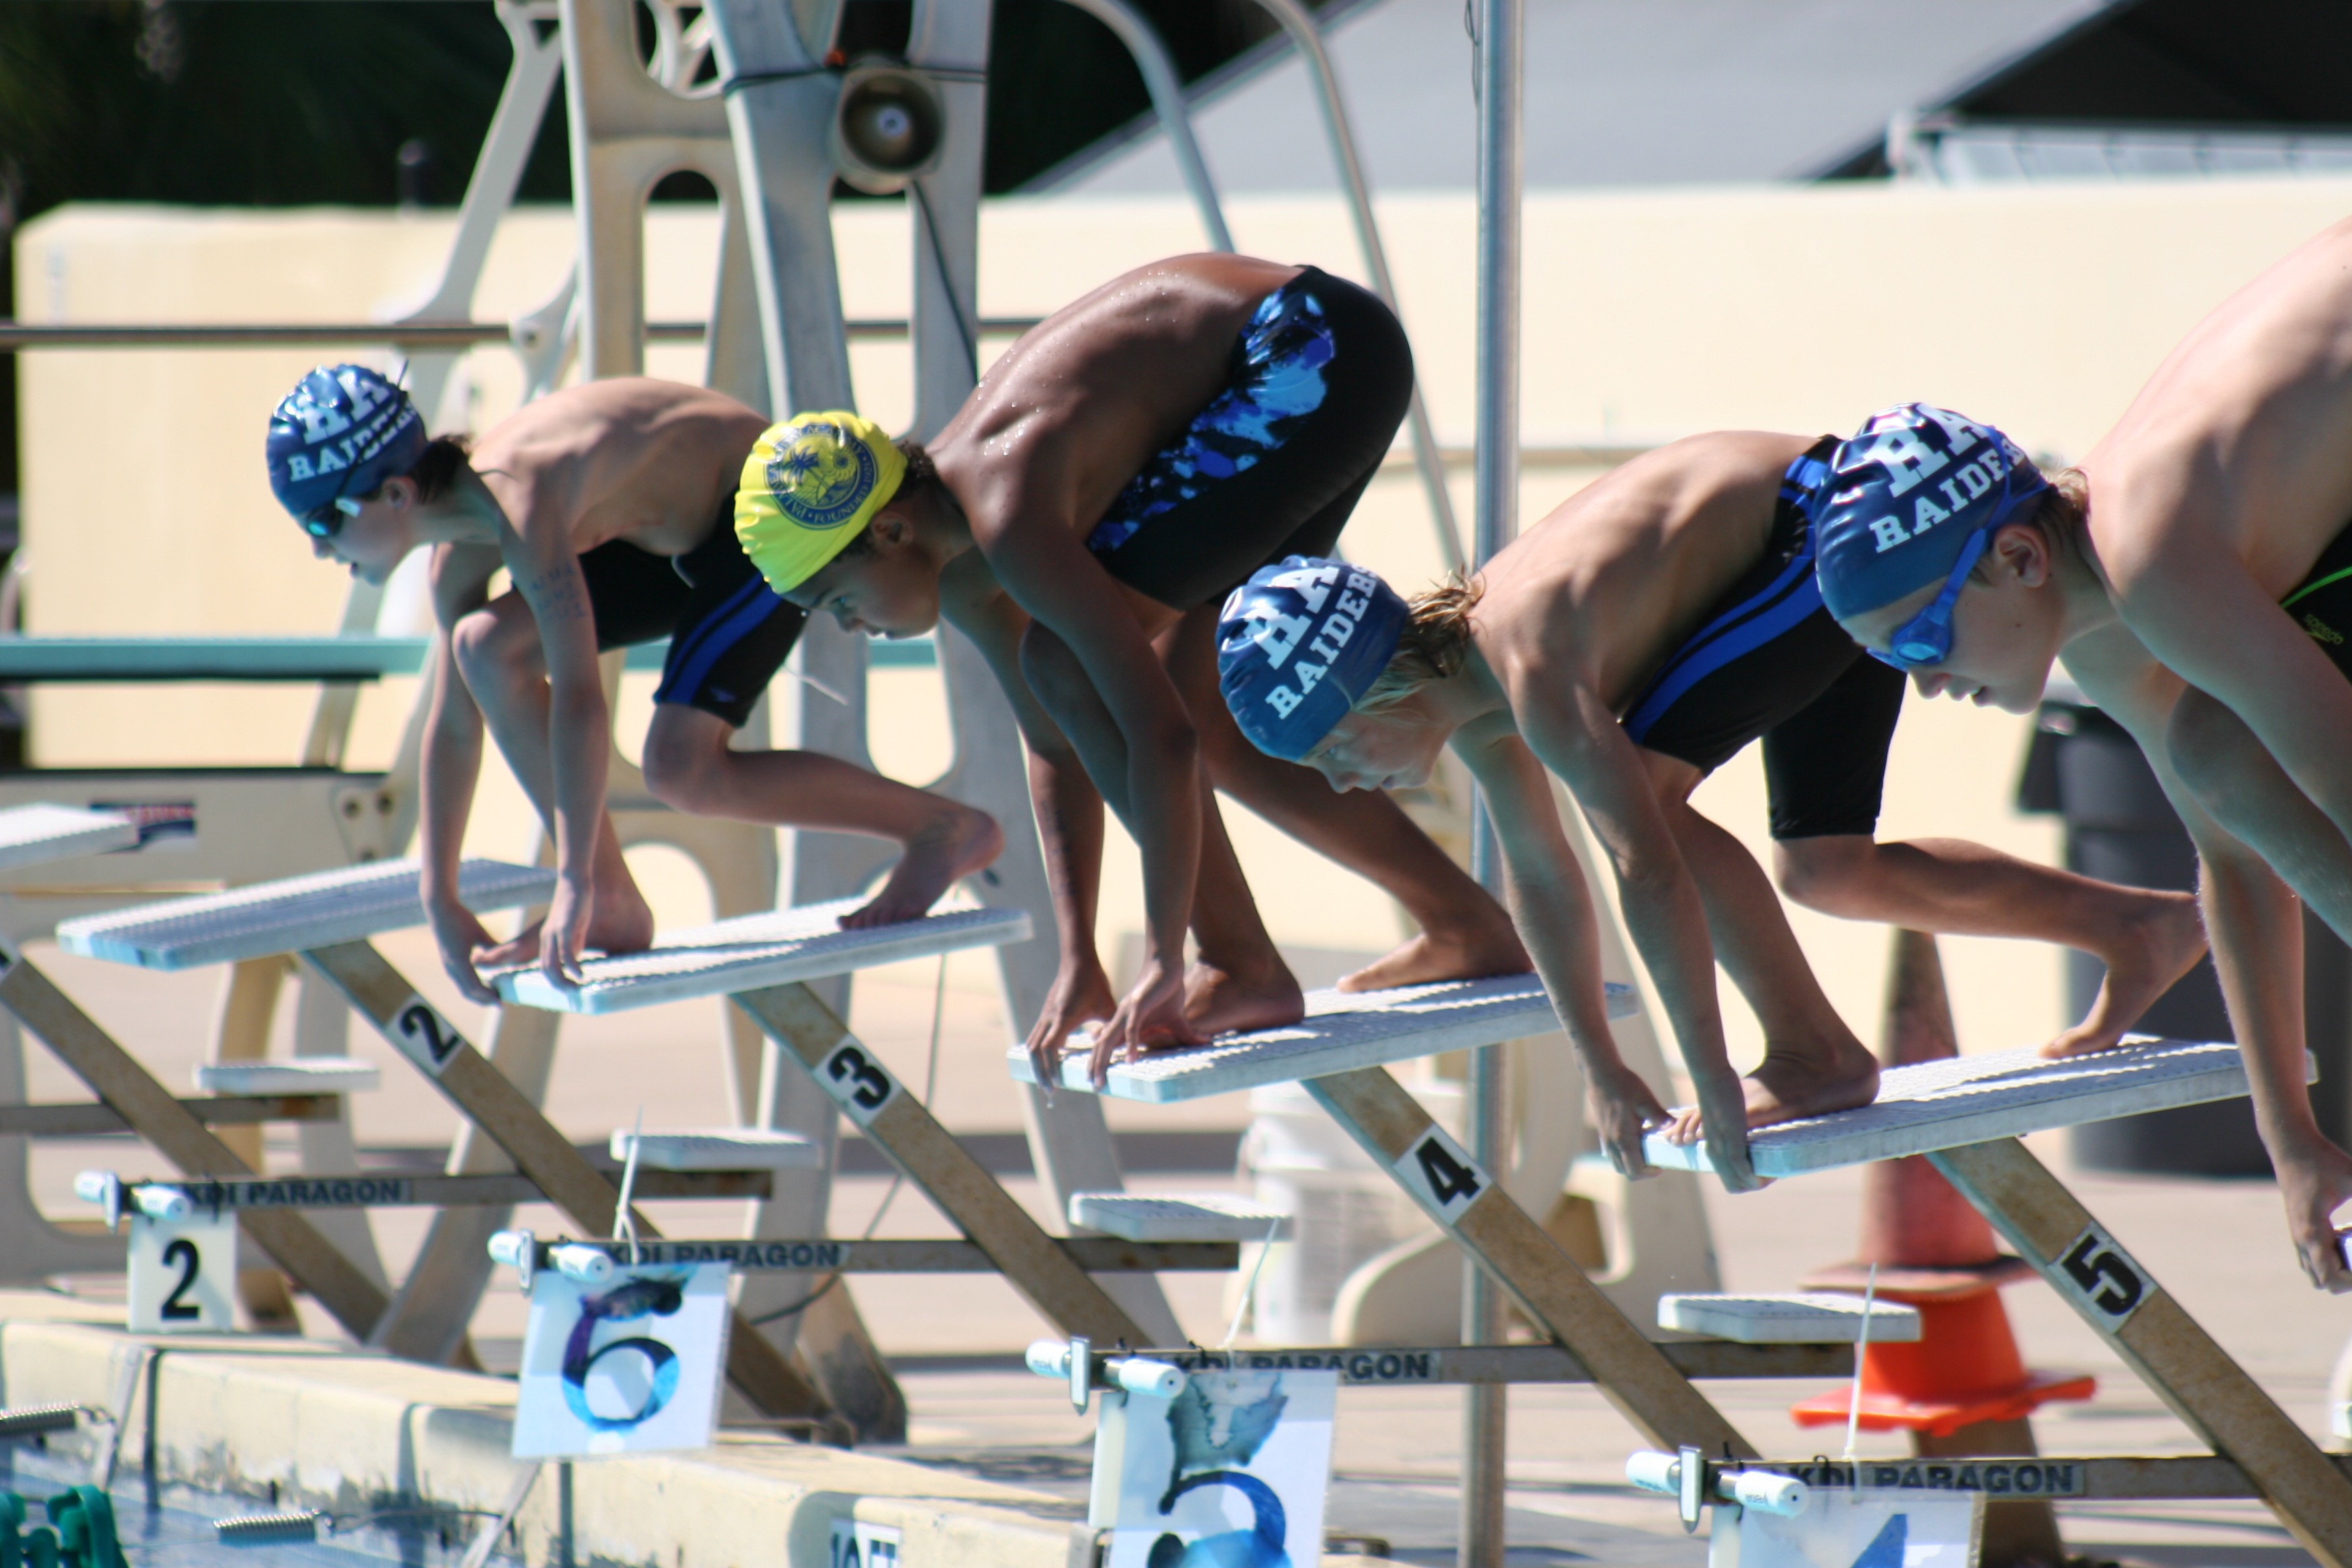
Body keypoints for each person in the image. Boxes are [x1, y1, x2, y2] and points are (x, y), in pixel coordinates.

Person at [1216, 423, 2204, 1185]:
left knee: (1643, 803)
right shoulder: (1479, 706)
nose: (1343, 781)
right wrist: (1601, 1066)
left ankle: (1811, 1053)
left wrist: (1712, 1078)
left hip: (1820, 535)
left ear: (1381, 687)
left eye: (1334, 748)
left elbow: (1639, 863)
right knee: (1827, 870)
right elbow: (1547, 882)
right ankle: (2137, 927)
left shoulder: (1528, 659)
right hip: (1793, 553)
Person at [735, 254, 1529, 1081]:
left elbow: (1154, 733)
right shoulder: (961, 554)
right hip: (1321, 350)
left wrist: (1160, 954)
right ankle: (1463, 925)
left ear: (891, 532)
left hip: (1310, 350)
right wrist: (1079, 956)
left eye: (836, 603)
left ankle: (1238, 963)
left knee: (1095, 673)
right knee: (1197, 711)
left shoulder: (1006, 514)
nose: (849, 630)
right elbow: (1055, 740)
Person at [1816, 235, 2352, 1291]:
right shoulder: (2106, 612)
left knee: (2218, 742)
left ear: (2015, 561)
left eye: (1918, 643)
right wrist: (2294, 1144)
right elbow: (2235, 862)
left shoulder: (2155, 562)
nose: (1923, 685)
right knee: (2213, 748)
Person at [266, 365, 1001, 1000]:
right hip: (659, 537)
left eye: (323, 518)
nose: (312, 544)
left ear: (397, 493)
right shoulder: (455, 555)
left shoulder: (521, 496)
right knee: (483, 646)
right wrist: (438, 895)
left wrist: (570, 882)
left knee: (682, 767)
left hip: (757, 520)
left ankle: (942, 828)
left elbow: (584, 698)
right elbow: (453, 725)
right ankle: (614, 897)